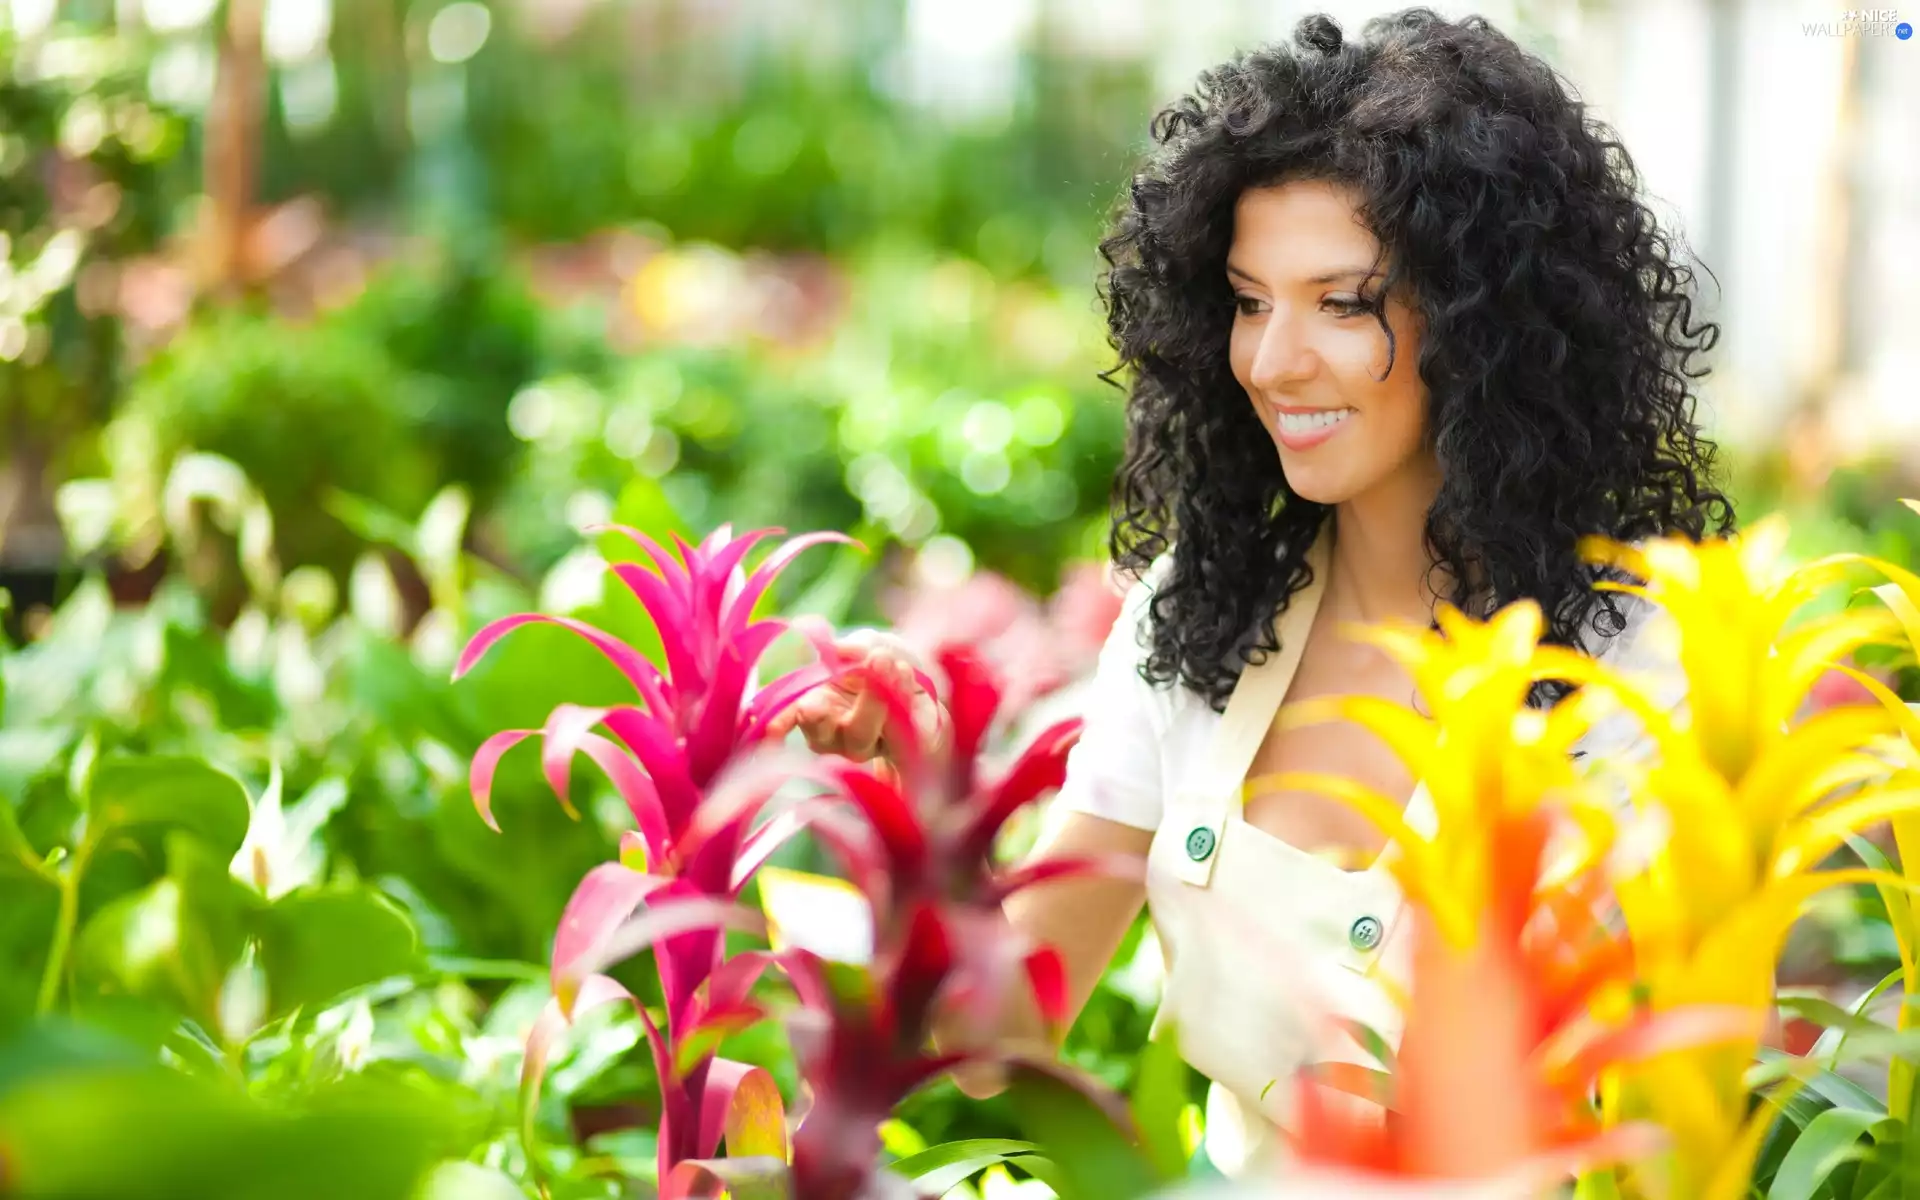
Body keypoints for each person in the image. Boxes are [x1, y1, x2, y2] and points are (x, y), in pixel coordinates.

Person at [766, 7, 1729, 1175]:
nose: (1273, 361)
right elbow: (994, 1046)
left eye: (1343, 302)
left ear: (1488, 327)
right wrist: (934, 793)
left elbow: (1659, 1122)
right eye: (1249, 298)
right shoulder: (1208, 613)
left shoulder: (1638, 675)